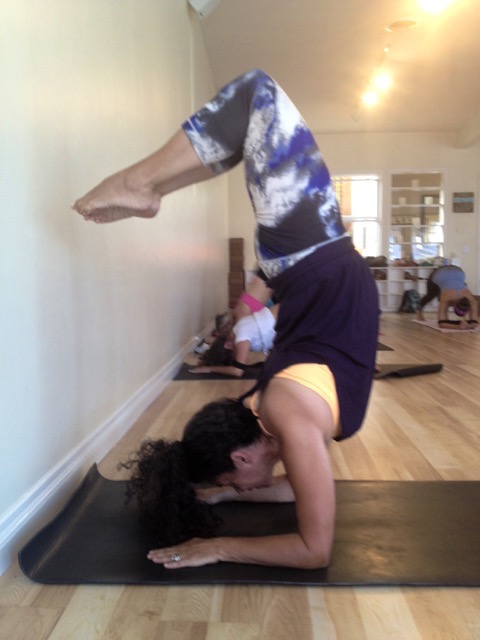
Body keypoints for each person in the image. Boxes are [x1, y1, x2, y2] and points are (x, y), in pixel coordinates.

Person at [73, 68, 379, 570]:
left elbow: (312, 550)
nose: (235, 485)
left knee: (255, 96)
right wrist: (228, 498)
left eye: (231, 480)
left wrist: (219, 546)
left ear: (241, 457)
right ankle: (146, 188)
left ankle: (140, 184)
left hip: (309, 258)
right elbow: (293, 493)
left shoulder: (284, 416)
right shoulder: (277, 419)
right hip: (305, 263)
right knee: (246, 120)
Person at [191, 304, 279, 377]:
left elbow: (238, 371)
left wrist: (210, 369)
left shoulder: (240, 337)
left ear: (228, 344)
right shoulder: (239, 327)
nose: (237, 356)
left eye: (234, 354)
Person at [416, 265, 478, 330]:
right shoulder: (447, 297)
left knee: (443, 297)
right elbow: (441, 323)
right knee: (430, 295)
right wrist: (458, 327)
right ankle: (419, 310)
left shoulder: (471, 299)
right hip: (439, 273)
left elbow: (474, 323)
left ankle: (441, 293)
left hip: (458, 271)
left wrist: (468, 326)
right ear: (454, 305)